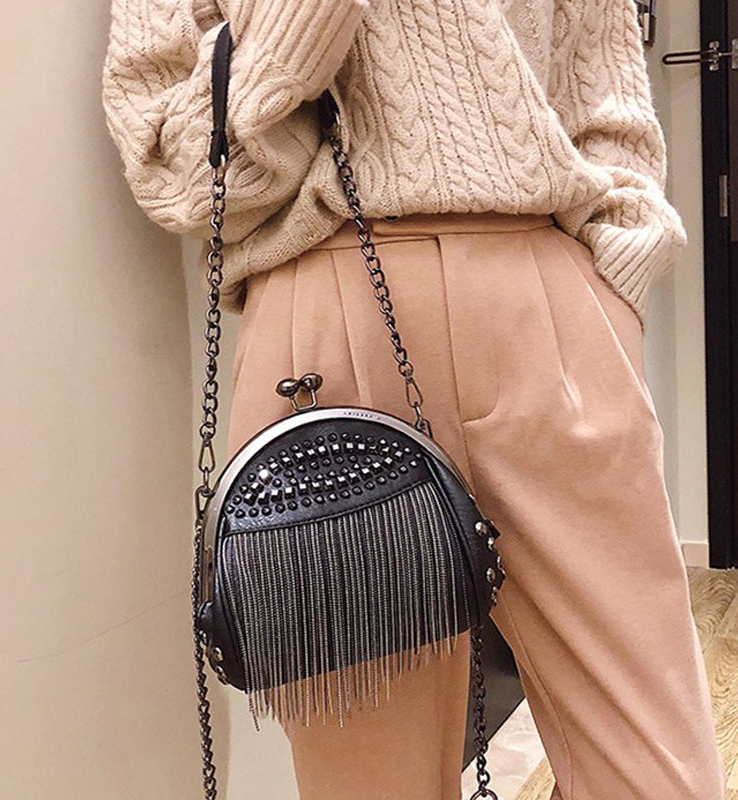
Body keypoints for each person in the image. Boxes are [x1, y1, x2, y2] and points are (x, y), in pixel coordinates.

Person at [101, 1, 727, 798]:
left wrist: (614, 287)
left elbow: (608, 108)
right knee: (369, 778)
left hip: (545, 301)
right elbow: (186, 181)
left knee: (657, 768)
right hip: (322, 335)